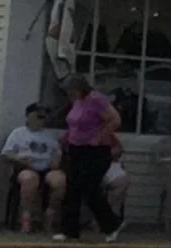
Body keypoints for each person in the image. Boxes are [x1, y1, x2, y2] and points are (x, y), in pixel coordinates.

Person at [54, 75, 125, 242]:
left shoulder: (96, 99)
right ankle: (69, 230)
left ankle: (112, 224)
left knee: (89, 189)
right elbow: (76, 123)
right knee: (72, 189)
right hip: (76, 148)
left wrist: (100, 137)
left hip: (95, 150)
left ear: (80, 88)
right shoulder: (77, 101)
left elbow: (115, 120)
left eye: (72, 90)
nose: (70, 94)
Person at [1, 103, 66, 233]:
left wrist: (56, 161)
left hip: (46, 168)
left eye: (44, 117)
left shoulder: (49, 135)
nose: (42, 119)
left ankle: (50, 213)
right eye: (39, 116)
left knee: (60, 181)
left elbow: (57, 152)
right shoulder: (18, 133)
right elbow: (6, 153)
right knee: (30, 180)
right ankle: (26, 217)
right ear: (29, 116)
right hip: (25, 167)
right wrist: (20, 159)